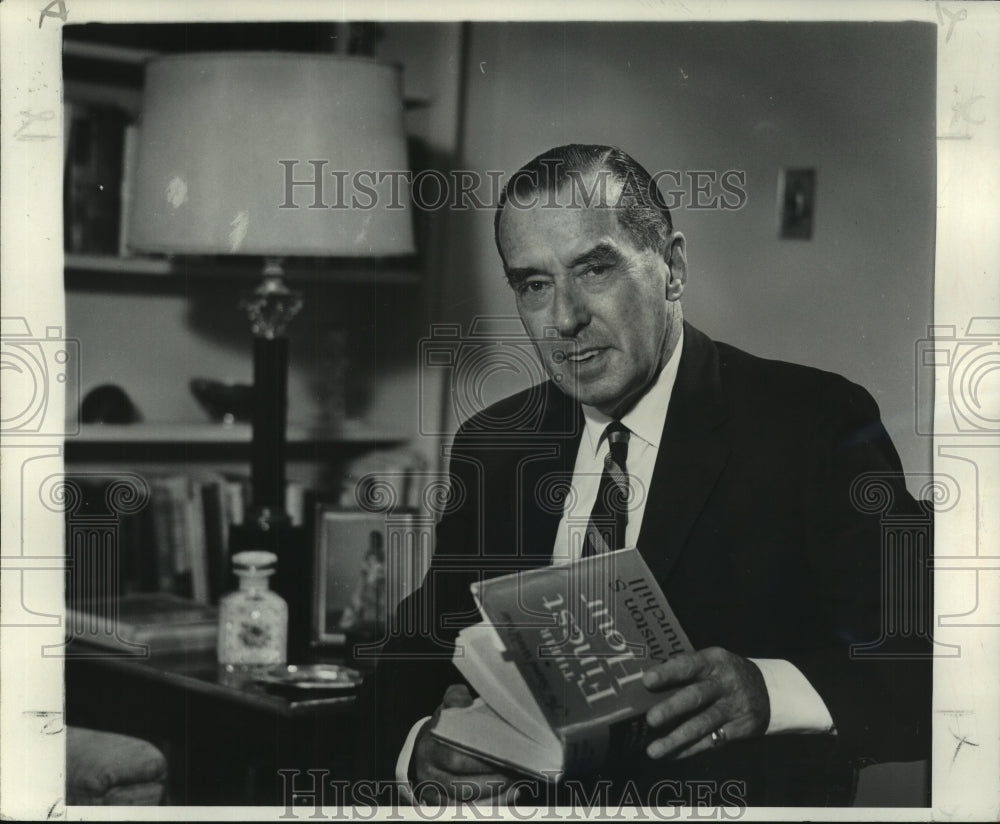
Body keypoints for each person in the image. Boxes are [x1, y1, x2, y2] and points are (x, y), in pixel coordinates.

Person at [368, 144, 931, 807]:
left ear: (673, 268)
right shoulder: (494, 444)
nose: (566, 318)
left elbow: (922, 668)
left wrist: (768, 690)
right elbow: (409, 660)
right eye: (534, 284)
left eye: (595, 268)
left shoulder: (813, 425)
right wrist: (417, 750)